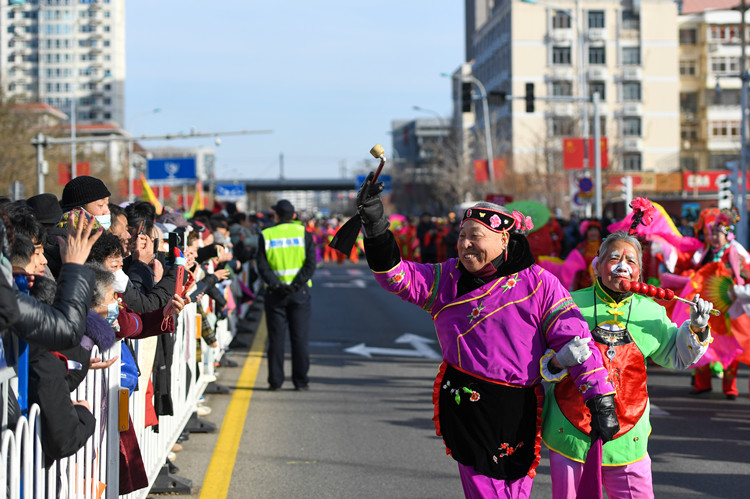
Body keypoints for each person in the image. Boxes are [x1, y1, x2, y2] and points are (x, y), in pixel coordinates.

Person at [354, 172, 618, 499]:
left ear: (504, 240)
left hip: (519, 406)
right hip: (467, 403)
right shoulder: (445, 278)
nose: (465, 244)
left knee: (516, 490)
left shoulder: (540, 284)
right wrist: (377, 226)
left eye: (475, 236)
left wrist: (601, 398)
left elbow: (576, 342)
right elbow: (394, 276)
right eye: (461, 235)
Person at [542, 230, 714, 498]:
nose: (622, 266)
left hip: (628, 436)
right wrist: (558, 361)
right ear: (597, 266)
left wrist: (697, 328)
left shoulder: (652, 312)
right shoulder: (568, 305)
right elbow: (541, 364)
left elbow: (677, 356)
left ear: (640, 273)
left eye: (631, 261)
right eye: (614, 258)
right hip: (571, 432)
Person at [256, 199, 316, 391]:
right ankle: (300, 381)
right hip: (299, 293)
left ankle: (276, 381)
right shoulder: (303, 233)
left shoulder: (266, 234)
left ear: (276, 215)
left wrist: (277, 284)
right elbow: (311, 264)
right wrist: (296, 284)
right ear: (294, 216)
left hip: (275, 294)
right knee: (299, 340)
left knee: (276, 339)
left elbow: (262, 266)